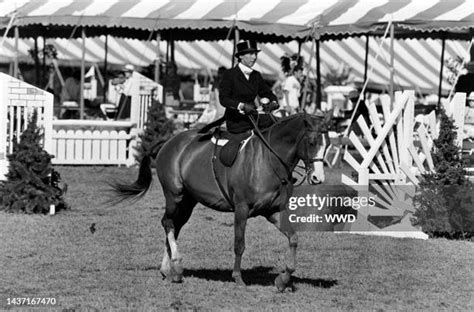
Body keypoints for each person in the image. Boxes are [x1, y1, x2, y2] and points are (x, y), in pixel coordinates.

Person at [219, 40, 279, 134]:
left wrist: (273, 102)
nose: (254, 57)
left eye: (255, 54)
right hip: (236, 121)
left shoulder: (256, 75)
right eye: (251, 54)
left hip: (254, 117)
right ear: (240, 56)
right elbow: (223, 99)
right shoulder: (229, 74)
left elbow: (267, 92)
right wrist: (241, 106)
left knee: (279, 124)